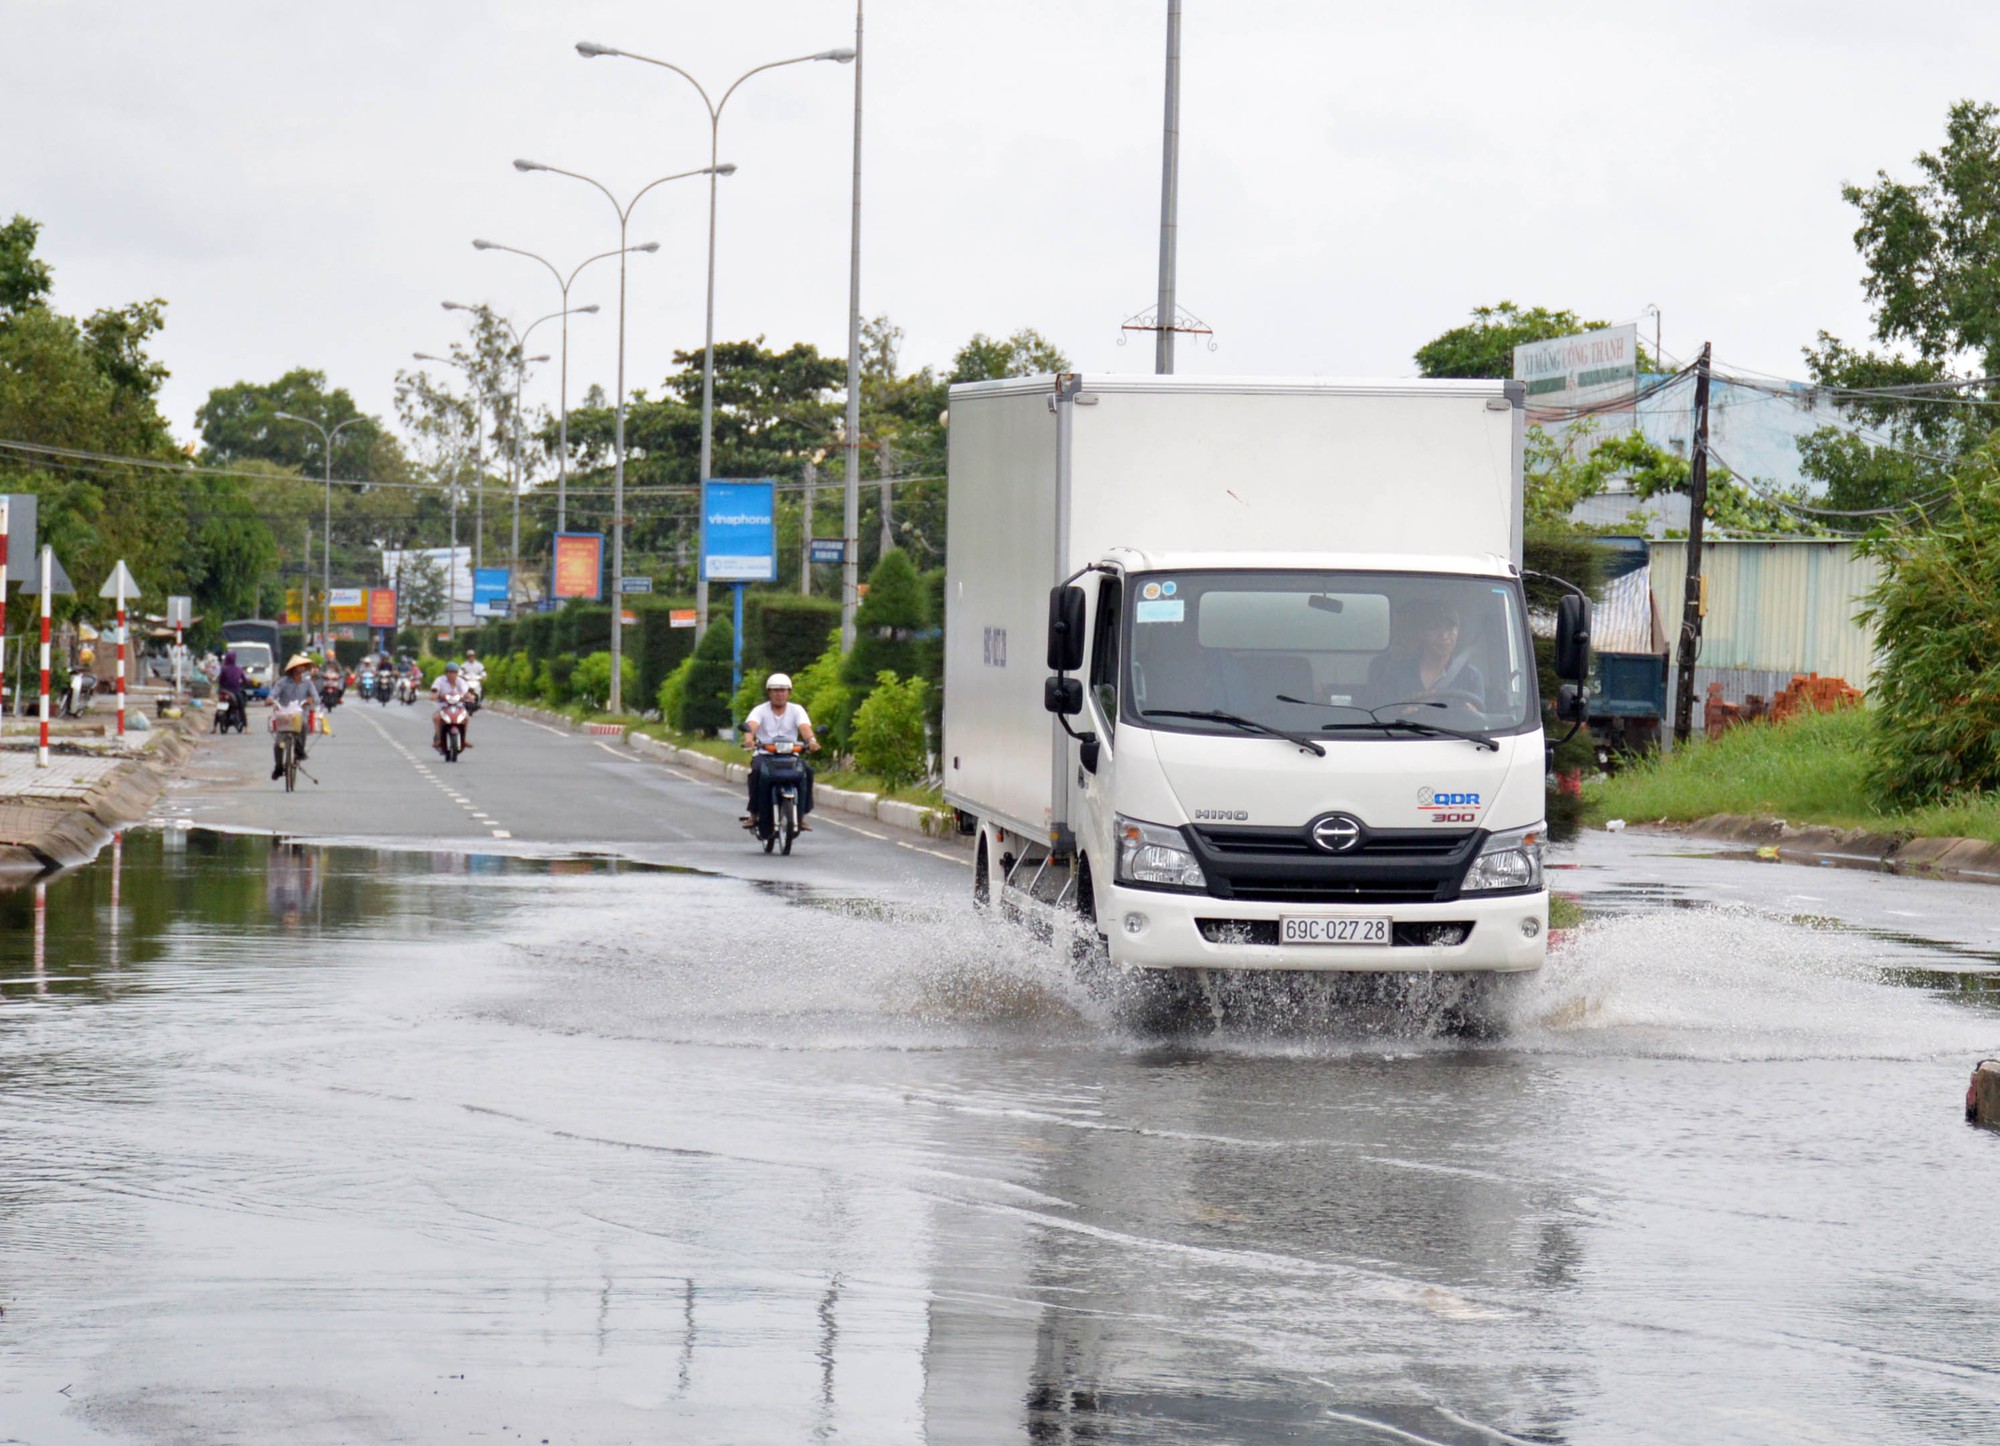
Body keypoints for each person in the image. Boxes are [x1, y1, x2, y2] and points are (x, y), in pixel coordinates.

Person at [1368, 599, 1485, 711]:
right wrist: (1401, 714)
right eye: (1434, 627)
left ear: (1458, 632)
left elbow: (1480, 723)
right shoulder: (1396, 673)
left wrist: (1473, 714)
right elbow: (1383, 717)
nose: (1443, 636)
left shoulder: (1471, 677)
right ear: (1422, 633)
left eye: (1450, 627)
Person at [740, 672, 819, 833]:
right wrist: (749, 739)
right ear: (769, 692)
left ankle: (802, 814)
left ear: (789, 693)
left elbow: (804, 728)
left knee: (807, 772)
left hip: (790, 755)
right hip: (764, 754)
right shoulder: (760, 710)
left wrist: (811, 741)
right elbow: (752, 726)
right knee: (756, 772)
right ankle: (754, 814)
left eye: (783, 690)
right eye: (775, 690)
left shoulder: (797, 710)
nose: (779, 694)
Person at [269, 654, 318, 779]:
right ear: (292, 669)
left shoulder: (307, 683)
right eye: (297, 667)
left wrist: (310, 700)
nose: (300, 669)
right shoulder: (282, 682)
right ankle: (278, 767)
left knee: (304, 724)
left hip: (300, 714)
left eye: (302, 667)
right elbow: (273, 695)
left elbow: (316, 698)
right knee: (278, 745)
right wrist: (270, 700)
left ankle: (300, 751)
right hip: (285, 716)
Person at [432, 660, 475, 753]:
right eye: (450, 672)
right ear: (446, 673)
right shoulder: (440, 680)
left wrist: (469, 696)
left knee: (466, 718)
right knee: (436, 718)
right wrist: (435, 695)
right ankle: (439, 738)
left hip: (458, 706)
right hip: (443, 706)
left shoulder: (461, 682)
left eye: (455, 672)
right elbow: (435, 690)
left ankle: (464, 739)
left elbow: (466, 692)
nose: (452, 675)